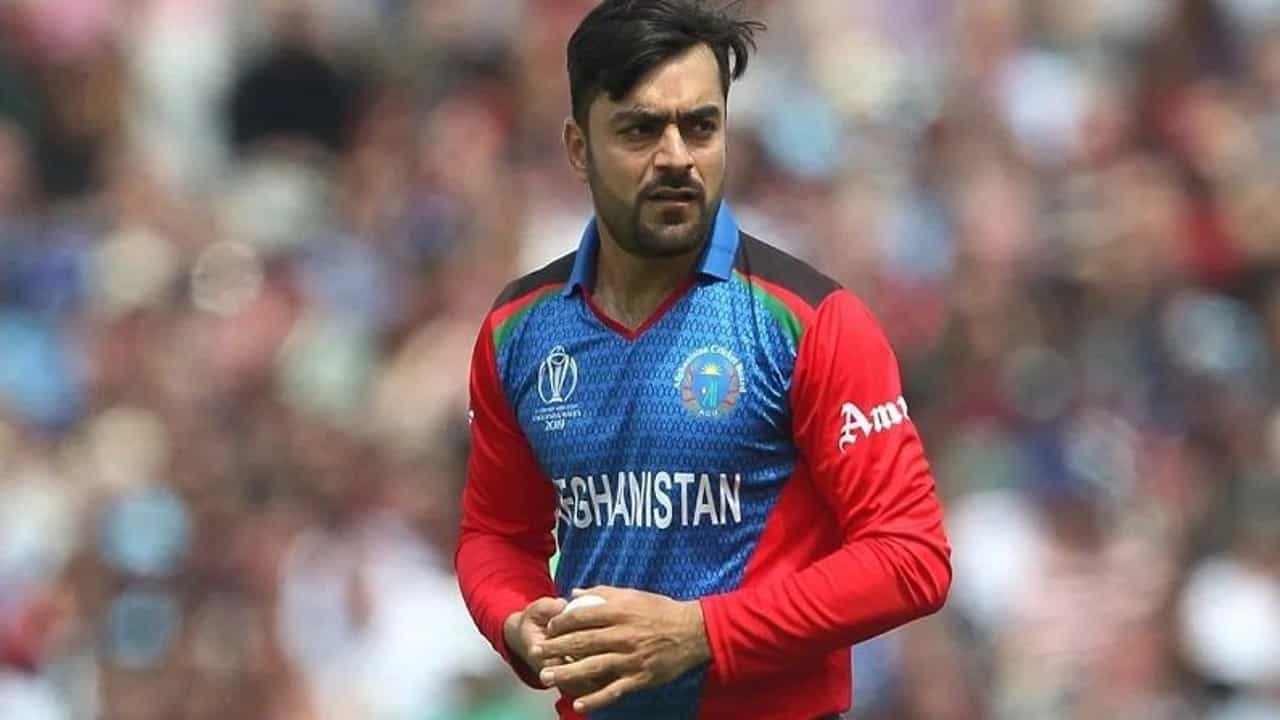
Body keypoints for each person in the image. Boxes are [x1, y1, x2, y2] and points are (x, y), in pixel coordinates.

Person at [455, 1, 952, 718]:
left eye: (700, 126)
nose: (676, 158)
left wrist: (702, 633)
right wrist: (514, 618)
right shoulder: (519, 331)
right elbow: (496, 535)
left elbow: (912, 555)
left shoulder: (811, 321)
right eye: (640, 129)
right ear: (578, 148)